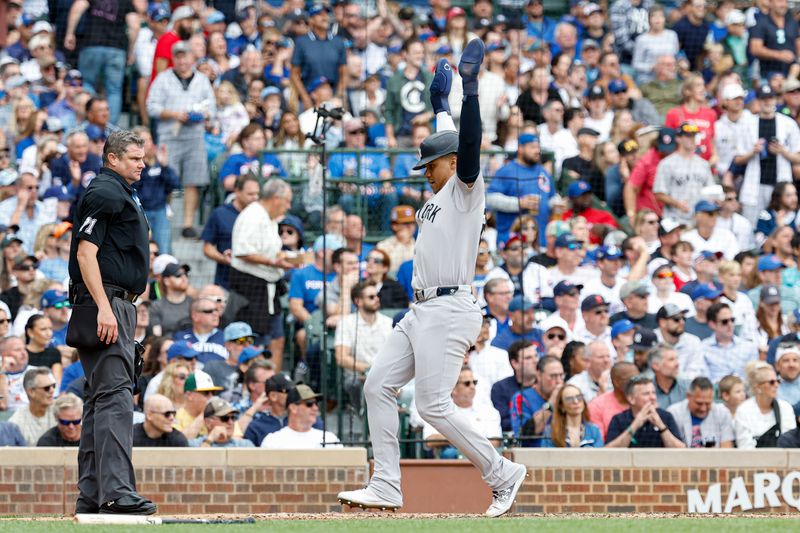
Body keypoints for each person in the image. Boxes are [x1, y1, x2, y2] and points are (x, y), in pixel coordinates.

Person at [338, 43, 527, 517]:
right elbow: (446, 138)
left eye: (430, 166)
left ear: (449, 164)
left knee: (432, 405)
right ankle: (385, 485)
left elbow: (466, 144)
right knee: (376, 385)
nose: (425, 174)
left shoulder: (465, 190)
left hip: (450, 306)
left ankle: (502, 473)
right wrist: (440, 105)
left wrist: (468, 90)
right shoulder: (442, 187)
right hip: (422, 309)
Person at [67, 130, 154, 515]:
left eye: (143, 157)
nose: (143, 164)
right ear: (113, 158)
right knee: (117, 396)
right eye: (135, 158)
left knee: (100, 399)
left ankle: (92, 495)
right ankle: (117, 493)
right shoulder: (105, 191)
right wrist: (105, 306)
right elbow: (87, 254)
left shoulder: (120, 191)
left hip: (116, 301)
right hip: (106, 302)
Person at [146, 41, 216, 239]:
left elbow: (212, 109)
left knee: (192, 181)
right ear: (174, 59)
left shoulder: (202, 80)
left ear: (192, 58)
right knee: (166, 180)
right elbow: (151, 106)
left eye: (186, 56)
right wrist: (175, 114)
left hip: (194, 135)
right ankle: (165, 218)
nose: (182, 60)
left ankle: (187, 224)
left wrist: (201, 115)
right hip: (170, 136)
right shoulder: (163, 79)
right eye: (178, 56)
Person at [230, 179, 296, 366]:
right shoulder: (252, 216)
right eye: (287, 201)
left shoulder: (270, 219)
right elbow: (242, 251)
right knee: (257, 342)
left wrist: (287, 259)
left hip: (269, 286)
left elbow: (268, 250)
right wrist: (272, 261)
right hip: (251, 288)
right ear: (276, 199)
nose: (288, 206)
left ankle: (272, 381)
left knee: (277, 338)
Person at [64, 0, 140, 124]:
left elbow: (78, 7)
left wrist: (70, 33)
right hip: (116, 49)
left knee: (87, 84)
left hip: (92, 45)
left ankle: (89, 120)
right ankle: (110, 128)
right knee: (114, 91)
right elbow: (134, 26)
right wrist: (131, 50)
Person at [734, 85, 800, 224]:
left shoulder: (788, 124)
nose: (767, 102)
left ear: (775, 99)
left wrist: (782, 151)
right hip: (754, 185)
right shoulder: (747, 124)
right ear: (758, 100)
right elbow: (737, 159)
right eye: (763, 99)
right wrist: (753, 152)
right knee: (750, 226)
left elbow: (798, 157)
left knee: (781, 225)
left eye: (770, 98)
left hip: (780, 185)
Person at [334, 281, 393, 411]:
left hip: (386, 375)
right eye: (371, 297)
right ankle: (365, 418)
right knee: (356, 384)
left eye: (377, 296)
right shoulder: (347, 323)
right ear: (358, 301)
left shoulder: (388, 323)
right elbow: (341, 357)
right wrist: (369, 370)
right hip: (359, 375)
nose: (377, 299)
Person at [486, 133, 554, 246]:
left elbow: (551, 197)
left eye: (538, 147)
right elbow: (490, 199)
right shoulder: (506, 171)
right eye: (532, 147)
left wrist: (556, 204)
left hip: (539, 241)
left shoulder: (543, 172)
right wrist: (519, 203)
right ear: (520, 149)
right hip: (511, 241)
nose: (537, 151)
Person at [423, 366, 503, 457]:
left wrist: (459, 439)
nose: (472, 387)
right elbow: (429, 441)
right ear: (453, 388)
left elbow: (495, 442)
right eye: (467, 383)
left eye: (474, 382)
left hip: (482, 459)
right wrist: (463, 438)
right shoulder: (438, 411)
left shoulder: (489, 412)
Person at [201, 176, 260, 289]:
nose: (255, 197)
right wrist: (224, 259)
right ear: (237, 191)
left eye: (257, 194)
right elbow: (207, 248)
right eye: (250, 194)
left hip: (255, 281)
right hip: (226, 282)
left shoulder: (260, 215)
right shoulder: (220, 214)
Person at [653, 122, 715, 226]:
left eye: (694, 136)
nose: (691, 139)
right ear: (678, 138)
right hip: (675, 219)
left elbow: (710, 190)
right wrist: (677, 204)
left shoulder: (703, 164)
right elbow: (659, 194)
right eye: (687, 136)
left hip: (698, 220)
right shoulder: (667, 163)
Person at [605, 376, 686, 448]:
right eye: (646, 394)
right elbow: (609, 451)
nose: (652, 397)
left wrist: (661, 426)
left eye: (654, 393)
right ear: (631, 399)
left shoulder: (666, 416)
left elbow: (681, 450)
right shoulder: (619, 419)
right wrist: (634, 425)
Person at [384, 38, 433, 148]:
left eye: (422, 52)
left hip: (425, 134)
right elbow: (388, 111)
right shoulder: (394, 80)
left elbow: (438, 105)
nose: (420, 56)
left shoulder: (429, 77)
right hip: (402, 135)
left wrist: (428, 115)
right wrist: (390, 137)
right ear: (405, 54)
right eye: (416, 52)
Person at [735, 362, 797, 448]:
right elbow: (745, 446)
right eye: (771, 382)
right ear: (758, 387)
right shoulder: (744, 410)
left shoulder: (785, 407)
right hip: (752, 460)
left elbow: (790, 441)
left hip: (781, 459)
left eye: (777, 381)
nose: (776, 385)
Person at [260, 383, 341, 449]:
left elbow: (346, 468)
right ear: (293, 408)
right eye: (309, 404)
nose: (315, 408)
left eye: (316, 403)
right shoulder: (273, 441)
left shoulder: (329, 439)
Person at [509, 356, 565, 447]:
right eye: (553, 376)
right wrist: (551, 404)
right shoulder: (522, 398)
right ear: (538, 375)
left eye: (561, 375)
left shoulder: (567, 396)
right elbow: (523, 435)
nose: (559, 381)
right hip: (534, 454)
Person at [667, 377, 735, 448]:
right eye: (699, 403)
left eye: (708, 403)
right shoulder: (674, 413)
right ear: (688, 396)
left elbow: (726, 449)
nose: (703, 408)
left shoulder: (722, 413)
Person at [702, 302, 759, 384]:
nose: (730, 324)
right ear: (712, 324)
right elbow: (704, 380)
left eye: (732, 320)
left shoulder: (749, 347)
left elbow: (753, 377)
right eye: (724, 322)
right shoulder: (703, 348)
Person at [491, 340, 538, 433]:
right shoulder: (500, 388)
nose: (535, 361)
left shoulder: (545, 384)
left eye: (536, 356)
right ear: (515, 363)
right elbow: (504, 423)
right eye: (528, 358)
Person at [588, 362, 639, 440]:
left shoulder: (644, 401)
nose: (637, 383)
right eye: (632, 379)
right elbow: (598, 444)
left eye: (639, 378)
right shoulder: (597, 406)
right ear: (616, 382)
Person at [541, 383, 604, 448]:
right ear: (562, 406)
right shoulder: (550, 431)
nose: (576, 401)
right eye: (569, 399)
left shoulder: (594, 430)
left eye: (579, 397)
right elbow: (547, 456)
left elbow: (600, 456)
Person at [9, 367, 57, 445]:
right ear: (31, 392)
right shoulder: (17, 421)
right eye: (47, 388)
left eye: (53, 386)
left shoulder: (61, 412)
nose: (52, 391)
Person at [189, 397, 254, 448]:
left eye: (233, 418)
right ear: (208, 423)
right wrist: (209, 440)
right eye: (225, 418)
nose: (230, 422)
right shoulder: (194, 445)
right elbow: (200, 463)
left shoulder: (245, 445)